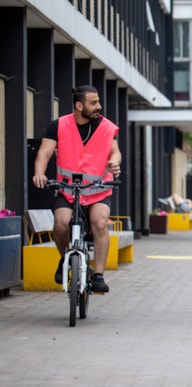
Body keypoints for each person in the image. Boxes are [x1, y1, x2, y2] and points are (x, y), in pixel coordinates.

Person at [32, 85, 122, 293]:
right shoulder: (59, 126)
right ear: (79, 105)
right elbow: (44, 154)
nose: (98, 106)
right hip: (67, 189)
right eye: (93, 103)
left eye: (98, 101)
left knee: (100, 223)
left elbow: (115, 152)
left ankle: (98, 275)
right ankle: (65, 259)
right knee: (61, 224)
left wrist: (114, 163)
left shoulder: (106, 127)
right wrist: (39, 173)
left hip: (98, 189)